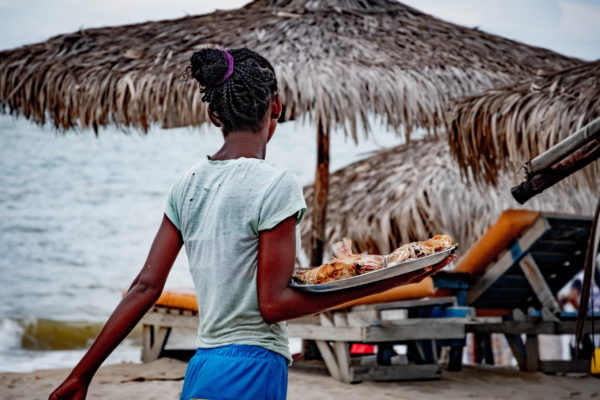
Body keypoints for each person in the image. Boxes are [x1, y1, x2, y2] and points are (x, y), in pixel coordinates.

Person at [49, 48, 455, 400]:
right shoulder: (275, 184)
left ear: (212, 114)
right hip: (254, 365)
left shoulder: (186, 185)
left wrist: (81, 375)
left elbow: (144, 287)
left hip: (203, 364)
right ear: (276, 105)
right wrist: (391, 280)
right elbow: (273, 305)